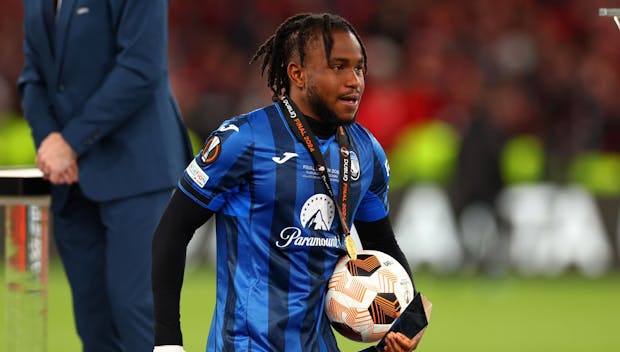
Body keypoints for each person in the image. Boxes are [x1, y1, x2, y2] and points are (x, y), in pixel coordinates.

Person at [152, 13, 426, 352]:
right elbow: (172, 232)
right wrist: (167, 341)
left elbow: (383, 244)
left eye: (358, 68)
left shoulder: (365, 151)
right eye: (338, 67)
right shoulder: (244, 140)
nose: (353, 81)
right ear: (297, 73)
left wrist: (410, 323)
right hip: (246, 344)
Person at [18, 1, 192, 351]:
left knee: (138, 316)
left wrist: (70, 141)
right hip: (71, 180)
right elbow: (33, 77)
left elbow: (141, 67)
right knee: (93, 323)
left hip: (138, 171)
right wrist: (51, 139)